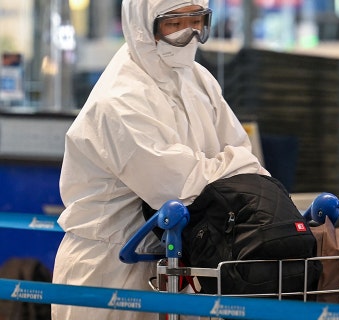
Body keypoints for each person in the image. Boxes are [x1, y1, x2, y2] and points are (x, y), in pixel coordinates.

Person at [51, 1, 268, 319]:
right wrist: (234, 166)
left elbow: (247, 160)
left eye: (197, 21)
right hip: (112, 274)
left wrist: (229, 167)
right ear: (143, 26)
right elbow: (180, 187)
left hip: (177, 267)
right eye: (175, 23)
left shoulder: (198, 80)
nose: (190, 34)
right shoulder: (121, 99)